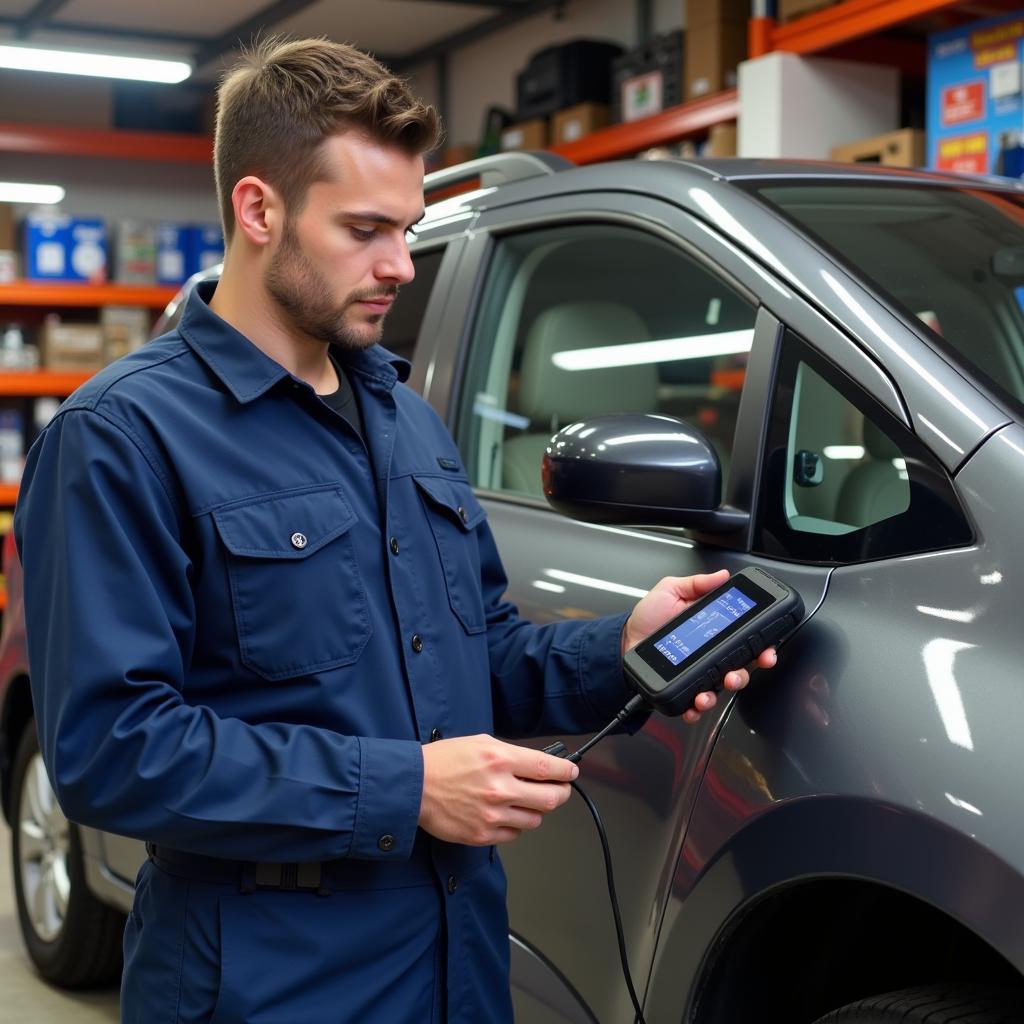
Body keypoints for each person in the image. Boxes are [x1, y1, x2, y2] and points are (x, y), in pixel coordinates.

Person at [14, 37, 776, 1023]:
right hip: (264, 975)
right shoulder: (121, 437)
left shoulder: (404, 419)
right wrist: (406, 786)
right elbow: (111, 751)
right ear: (258, 209)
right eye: (366, 229)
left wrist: (622, 649)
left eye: (406, 227)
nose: (399, 265)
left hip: (452, 954)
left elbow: (478, 656)